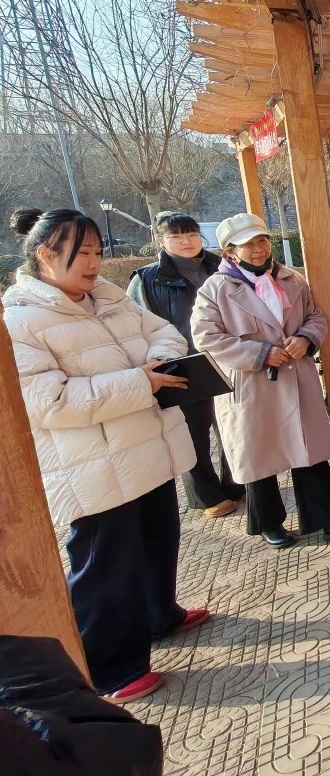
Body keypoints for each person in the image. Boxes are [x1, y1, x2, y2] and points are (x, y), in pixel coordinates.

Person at [4, 208, 207, 705]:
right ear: (45, 254)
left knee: (159, 539)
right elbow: (49, 402)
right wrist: (140, 382)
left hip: (146, 447)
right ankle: (110, 669)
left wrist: (156, 360)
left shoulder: (111, 297)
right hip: (92, 466)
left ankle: (160, 615)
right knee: (105, 566)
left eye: (98, 251)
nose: (95, 263)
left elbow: (165, 332)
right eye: (83, 254)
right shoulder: (20, 321)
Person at [192, 213, 330, 549]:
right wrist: (260, 353)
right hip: (252, 384)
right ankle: (268, 522)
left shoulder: (291, 279)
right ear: (230, 251)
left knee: (309, 451)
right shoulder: (215, 289)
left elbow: (315, 316)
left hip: (295, 379)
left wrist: (305, 338)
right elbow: (206, 338)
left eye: (262, 240)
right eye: (248, 244)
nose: (259, 248)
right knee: (259, 455)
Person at [127, 211, 244, 518]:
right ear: (160, 240)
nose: (186, 241)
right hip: (182, 364)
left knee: (232, 424)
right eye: (176, 236)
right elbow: (137, 326)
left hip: (227, 357)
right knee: (193, 432)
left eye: (192, 234)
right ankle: (206, 495)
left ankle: (236, 483)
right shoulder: (146, 278)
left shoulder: (222, 266)